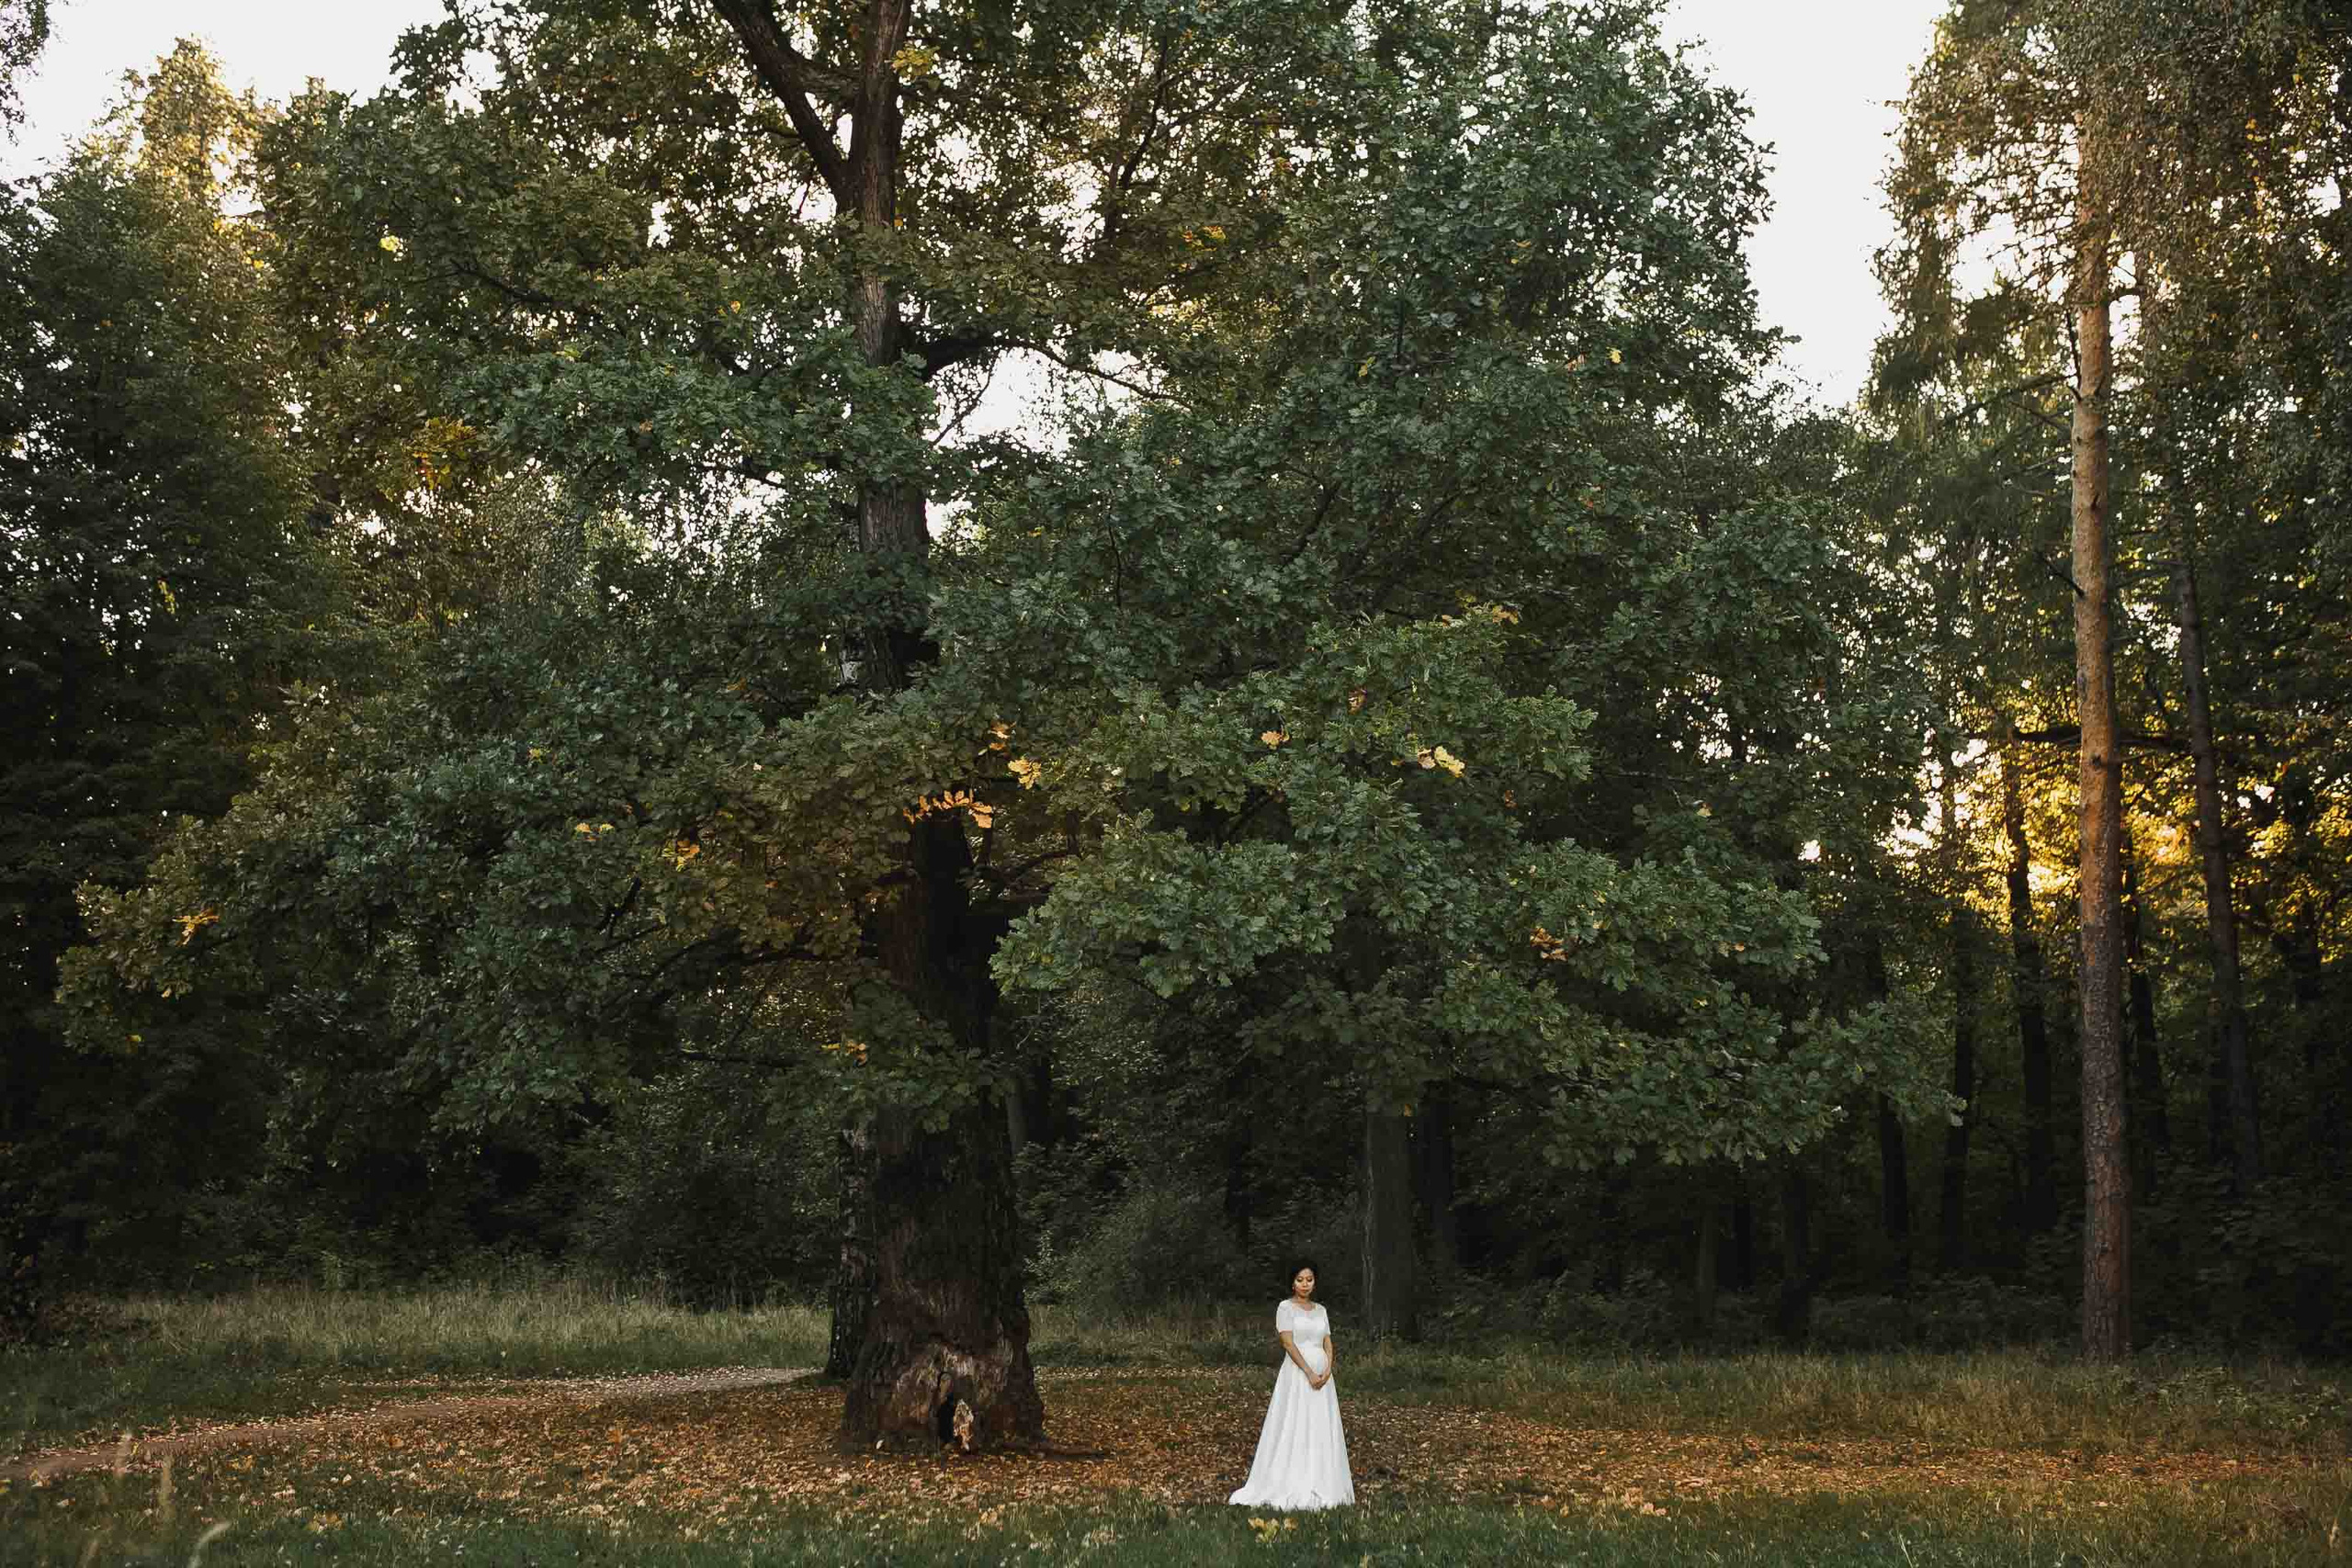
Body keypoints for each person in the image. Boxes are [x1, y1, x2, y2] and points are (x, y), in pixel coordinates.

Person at [1227, 1260, 1354, 1509]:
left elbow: (1327, 1342)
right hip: (1298, 1375)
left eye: (1309, 1280)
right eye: (1300, 1280)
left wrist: (1328, 1369)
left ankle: (1323, 1478)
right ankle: (1292, 1477)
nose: (1305, 1284)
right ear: (1292, 1283)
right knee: (1296, 1421)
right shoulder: (1285, 1308)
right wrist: (1308, 1372)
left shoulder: (1321, 1310)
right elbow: (1288, 1343)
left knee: (1320, 1423)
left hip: (1323, 1377)